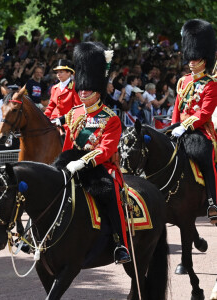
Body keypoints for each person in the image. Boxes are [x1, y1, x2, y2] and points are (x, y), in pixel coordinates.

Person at [54, 42, 131, 264]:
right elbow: (68, 143)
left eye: (88, 89)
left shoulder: (111, 118)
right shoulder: (74, 113)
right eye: (82, 89)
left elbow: (106, 149)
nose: (83, 91)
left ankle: (120, 244)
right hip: (71, 162)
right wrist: (64, 162)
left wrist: (83, 162)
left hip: (99, 166)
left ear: (98, 91)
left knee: (109, 193)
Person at [171, 19, 217, 224]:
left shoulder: (211, 84)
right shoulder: (183, 81)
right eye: (190, 57)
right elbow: (177, 108)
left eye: (195, 58)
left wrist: (185, 126)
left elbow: (205, 113)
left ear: (204, 60)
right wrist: (173, 128)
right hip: (179, 128)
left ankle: (212, 201)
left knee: (206, 158)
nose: (191, 61)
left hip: (200, 130)